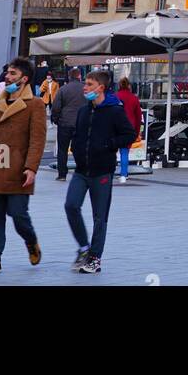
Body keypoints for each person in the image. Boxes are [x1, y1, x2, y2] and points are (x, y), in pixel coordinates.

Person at [0, 57, 47, 274]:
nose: (8, 77)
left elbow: (37, 140)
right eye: (8, 73)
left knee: (18, 214)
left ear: (24, 79)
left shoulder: (35, 105)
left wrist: (31, 168)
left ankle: (31, 240)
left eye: (13, 74)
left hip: (18, 171)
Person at [65, 69, 136, 274]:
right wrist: (76, 148)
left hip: (102, 172)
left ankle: (95, 258)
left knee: (99, 217)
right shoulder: (84, 110)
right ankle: (84, 248)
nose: (84, 88)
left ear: (100, 88)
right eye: (85, 84)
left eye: (88, 84)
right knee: (71, 205)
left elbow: (129, 134)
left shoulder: (114, 110)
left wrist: (108, 145)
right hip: (81, 170)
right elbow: (78, 134)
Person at [51, 67, 85, 181]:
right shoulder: (85, 88)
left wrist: (56, 119)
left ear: (69, 77)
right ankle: (82, 171)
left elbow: (56, 107)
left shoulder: (63, 89)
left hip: (65, 123)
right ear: (79, 76)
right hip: (80, 123)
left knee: (62, 149)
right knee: (81, 148)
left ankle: (62, 174)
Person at [115, 77, 142, 184]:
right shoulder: (134, 98)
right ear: (129, 86)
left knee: (112, 151)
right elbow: (138, 116)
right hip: (129, 128)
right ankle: (124, 174)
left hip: (115, 127)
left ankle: (109, 172)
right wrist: (137, 130)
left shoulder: (115, 97)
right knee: (124, 152)